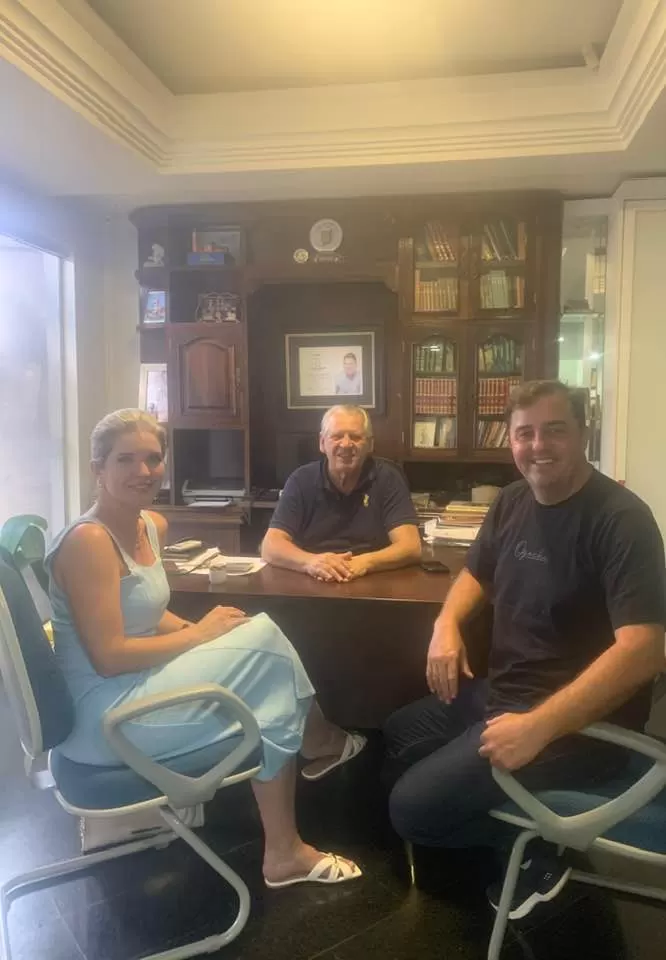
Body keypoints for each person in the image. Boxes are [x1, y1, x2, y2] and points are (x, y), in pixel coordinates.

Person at [45, 409, 366, 889]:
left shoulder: (149, 524)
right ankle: (299, 803)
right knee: (267, 647)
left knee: (257, 642)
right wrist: (200, 636)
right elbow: (108, 657)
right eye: (125, 459)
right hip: (103, 717)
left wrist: (207, 631)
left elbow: (146, 613)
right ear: (98, 468)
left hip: (131, 686)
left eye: (153, 458)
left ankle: (303, 786)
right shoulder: (89, 541)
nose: (143, 471)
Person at [384, 380, 666, 919]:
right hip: (504, 695)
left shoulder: (622, 519)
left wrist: (538, 727)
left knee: (410, 810)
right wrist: (446, 623)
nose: (538, 446)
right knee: (400, 732)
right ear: (510, 440)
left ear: (582, 433)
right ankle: (508, 817)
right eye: (525, 433)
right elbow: (477, 572)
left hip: (577, 727)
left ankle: (533, 852)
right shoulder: (512, 500)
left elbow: (644, 649)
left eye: (554, 430)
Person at [261, 405, 422, 582]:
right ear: (322, 443)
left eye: (355, 437)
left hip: (373, 579)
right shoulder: (301, 480)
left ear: (370, 444)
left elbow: (410, 546)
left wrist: (365, 562)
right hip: (314, 579)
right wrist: (311, 562)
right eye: (337, 436)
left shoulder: (388, 479)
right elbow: (270, 546)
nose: (346, 444)